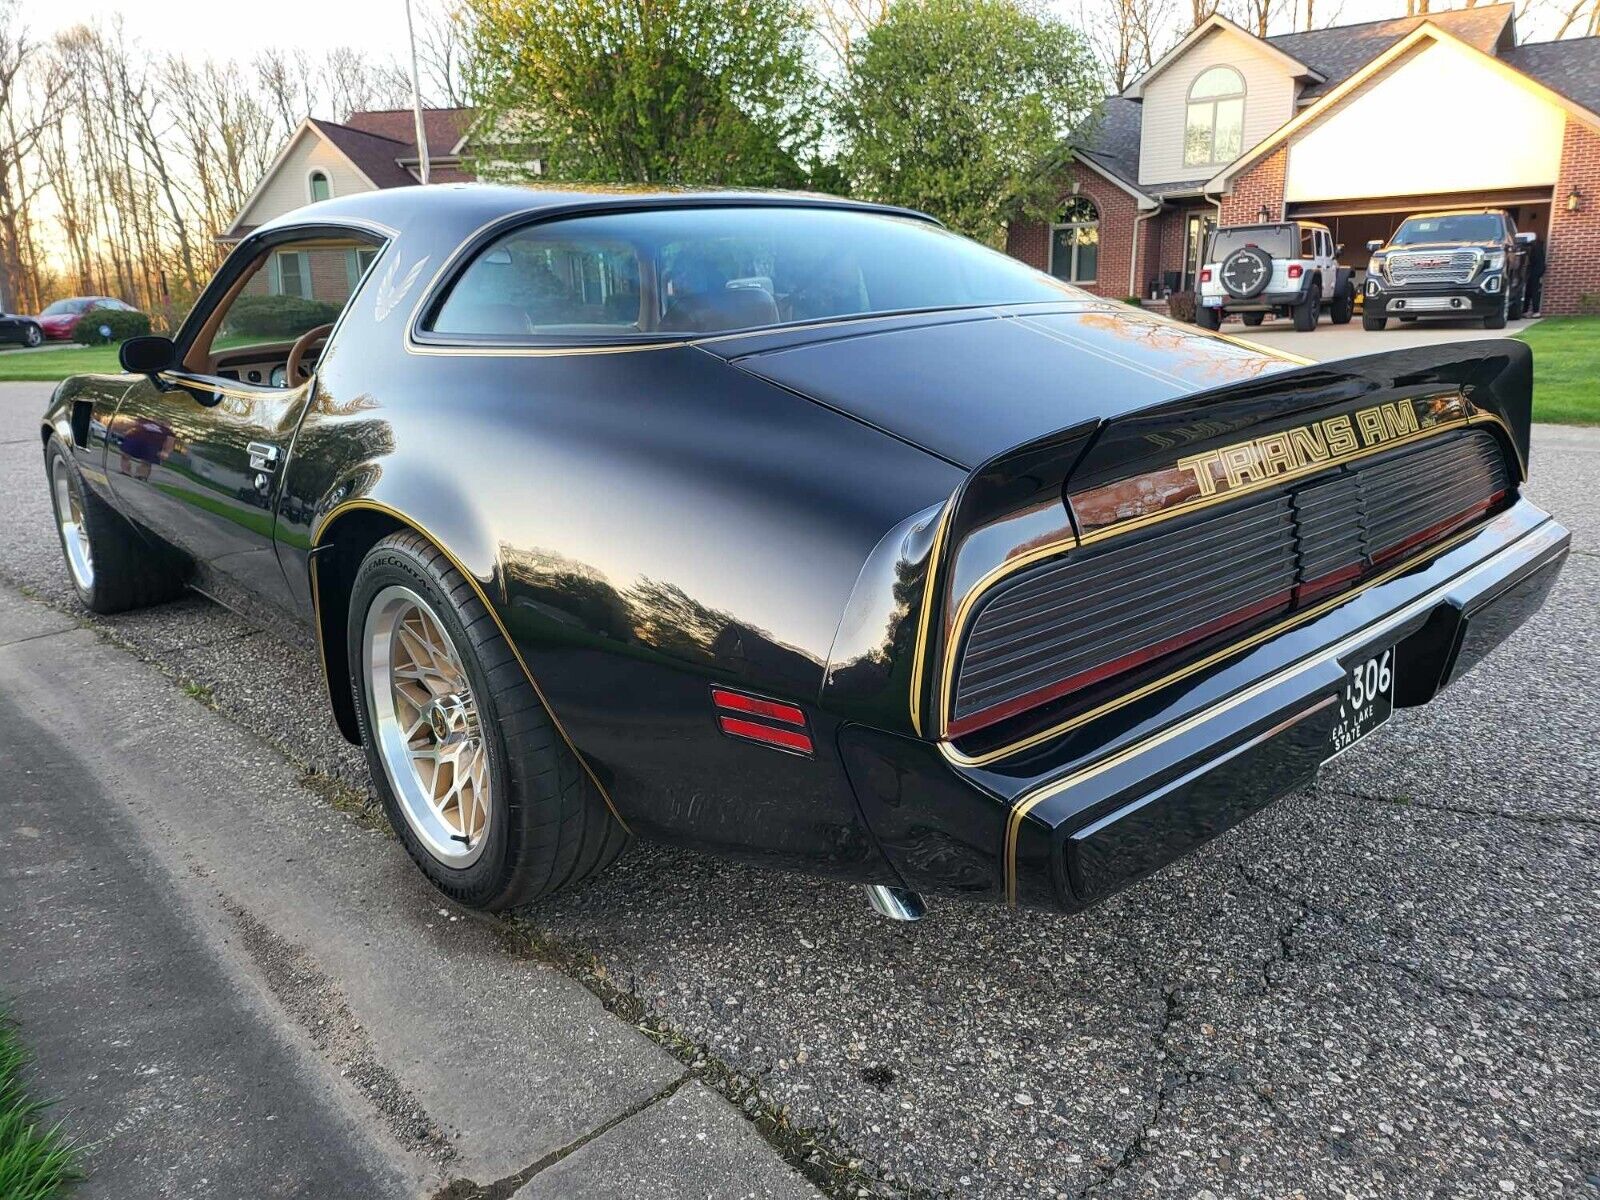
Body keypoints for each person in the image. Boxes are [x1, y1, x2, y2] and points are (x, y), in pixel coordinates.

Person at [1524, 234, 1546, 318]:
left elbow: (1532, 260)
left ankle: (1534, 311)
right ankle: (1528, 311)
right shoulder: (1538, 247)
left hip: (1534, 272)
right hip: (1536, 271)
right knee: (1531, 291)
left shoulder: (1534, 248)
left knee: (1532, 291)